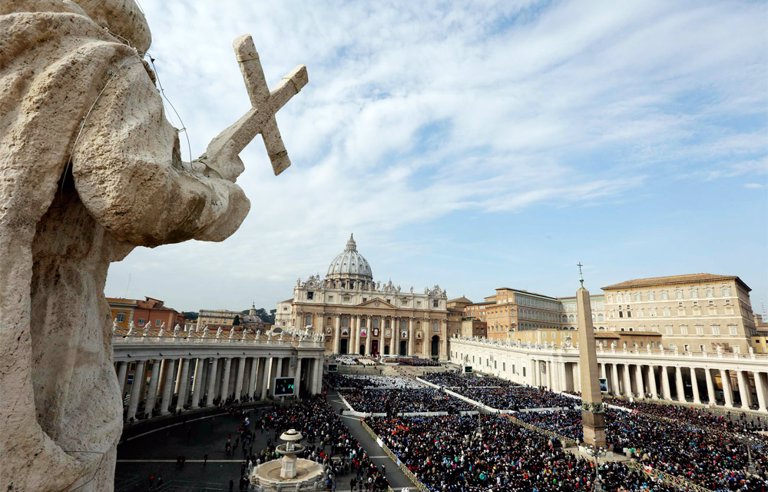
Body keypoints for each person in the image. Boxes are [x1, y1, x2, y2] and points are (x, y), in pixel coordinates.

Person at [0, 1, 253, 489]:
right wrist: (219, 191)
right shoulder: (99, 56)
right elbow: (132, 196)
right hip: (44, 316)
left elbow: (96, 225)